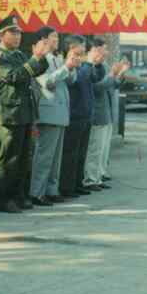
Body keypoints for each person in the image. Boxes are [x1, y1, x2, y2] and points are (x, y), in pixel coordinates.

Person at [0, 15, 50, 214]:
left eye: (19, 33)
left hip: (23, 112)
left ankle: (18, 196)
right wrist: (34, 59)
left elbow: (36, 71)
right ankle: (4, 200)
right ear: (1, 35)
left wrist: (40, 57)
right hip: (9, 114)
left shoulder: (18, 55)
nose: (17, 37)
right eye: (13, 33)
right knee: (8, 159)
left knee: (23, 158)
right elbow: (13, 76)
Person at [30, 27, 81, 206]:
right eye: (53, 37)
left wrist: (71, 67)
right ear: (44, 40)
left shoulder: (58, 58)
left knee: (55, 157)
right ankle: (37, 192)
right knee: (44, 156)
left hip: (60, 112)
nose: (57, 40)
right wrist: (65, 67)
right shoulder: (40, 59)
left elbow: (70, 81)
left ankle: (52, 189)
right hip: (48, 111)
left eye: (57, 37)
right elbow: (48, 82)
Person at [83, 40, 128, 190]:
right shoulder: (88, 68)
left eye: (105, 51)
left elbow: (112, 85)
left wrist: (119, 74)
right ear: (93, 51)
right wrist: (112, 75)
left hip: (106, 112)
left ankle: (99, 175)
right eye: (102, 50)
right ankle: (90, 178)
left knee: (103, 149)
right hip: (97, 113)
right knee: (95, 149)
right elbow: (97, 88)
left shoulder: (103, 66)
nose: (105, 54)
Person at [60, 35, 101, 198]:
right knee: (70, 153)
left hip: (85, 113)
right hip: (74, 113)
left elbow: (95, 78)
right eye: (81, 46)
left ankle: (77, 183)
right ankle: (67, 187)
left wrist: (95, 64)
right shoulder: (69, 63)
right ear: (71, 46)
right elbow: (77, 80)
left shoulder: (83, 64)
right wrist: (89, 63)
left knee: (81, 153)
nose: (84, 50)